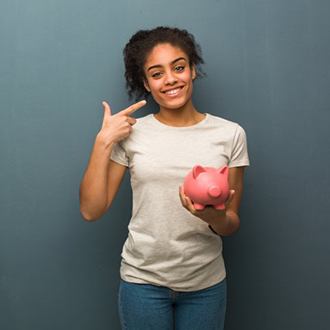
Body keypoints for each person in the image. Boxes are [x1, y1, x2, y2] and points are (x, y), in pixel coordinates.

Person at [79, 26, 250, 330]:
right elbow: (91, 210)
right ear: (145, 82)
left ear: (192, 70)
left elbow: (231, 224)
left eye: (179, 67)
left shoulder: (230, 134)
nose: (170, 79)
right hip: (142, 284)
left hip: (205, 285)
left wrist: (214, 216)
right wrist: (102, 141)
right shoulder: (132, 134)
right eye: (157, 74)